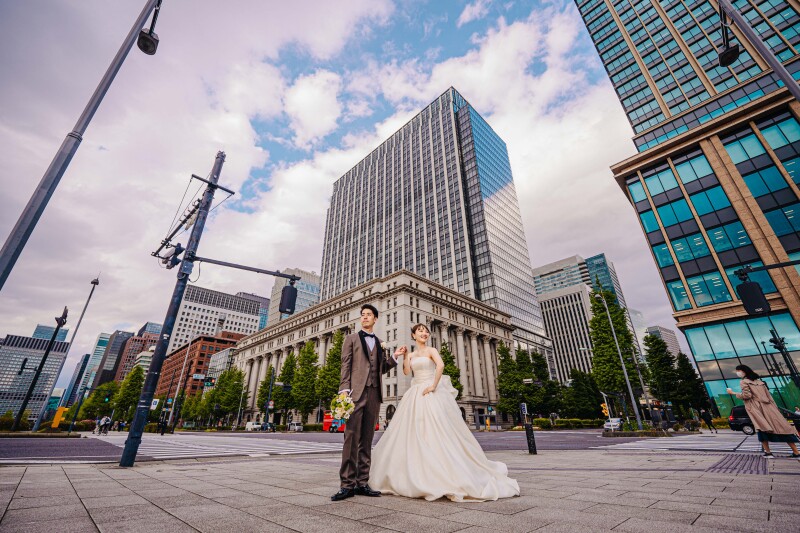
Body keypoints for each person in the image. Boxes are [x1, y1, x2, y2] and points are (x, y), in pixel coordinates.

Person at [369, 323, 520, 502]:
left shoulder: (431, 350)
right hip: (415, 392)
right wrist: (404, 356)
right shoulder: (411, 354)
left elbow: (440, 366)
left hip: (430, 390)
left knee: (437, 428)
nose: (424, 333)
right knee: (414, 431)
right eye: (420, 331)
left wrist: (433, 385)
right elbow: (407, 371)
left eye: (426, 331)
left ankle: (444, 470)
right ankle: (417, 471)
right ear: (413, 335)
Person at [331, 304, 399, 502]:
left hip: (374, 394)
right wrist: (344, 389)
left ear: (375, 319)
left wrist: (394, 357)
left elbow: (381, 368)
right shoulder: (351, 339)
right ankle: (347, 485)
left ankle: (362, 483)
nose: (365, 317)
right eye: (363, 315)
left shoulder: (379, 342)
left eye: (369, 315)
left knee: (367, 440)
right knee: (351, 438)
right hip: (355, 393)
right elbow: (345, 365)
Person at [727, 365, 800, 458]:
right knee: (781, 428)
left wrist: (733, 393)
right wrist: (775, 409)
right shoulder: (760, 382)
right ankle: (796, 452)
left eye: (738, 371)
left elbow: (747, 395)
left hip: (756, 408)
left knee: (761, 428)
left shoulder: (744, 382)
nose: (737, 373)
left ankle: (768, 452)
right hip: (769, 407)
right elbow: (770, 397)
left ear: (743, 371)